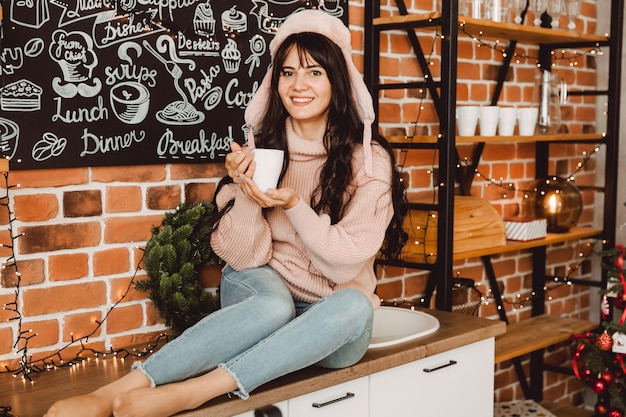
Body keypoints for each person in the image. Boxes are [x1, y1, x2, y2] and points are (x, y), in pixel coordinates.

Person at [44, 9, 407, 417]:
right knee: (274, 308)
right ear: (275, 82)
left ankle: (194, 392)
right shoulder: (259, 151)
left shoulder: (368, 162)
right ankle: (117, 390)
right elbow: (243, 257)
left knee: (355, 306)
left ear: (337, 80)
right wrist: (248, 192)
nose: (298, 85)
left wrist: (293, 205)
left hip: (328, 321)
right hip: (265, 291)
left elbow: (344, 267)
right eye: (287, 73)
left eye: (313, 72)